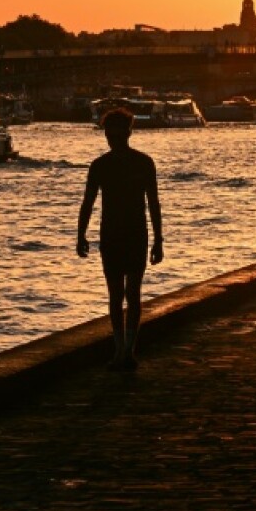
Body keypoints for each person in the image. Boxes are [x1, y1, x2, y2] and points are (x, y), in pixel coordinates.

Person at [77, 107, 164, 370]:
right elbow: (153, 204)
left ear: (125, 134)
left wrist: (81, 235)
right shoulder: (142, 163)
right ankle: (125, 350)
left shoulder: (102, 165)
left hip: (118, 235)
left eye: (113, 135)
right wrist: (158, 239)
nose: (111, 140)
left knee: (121, 294)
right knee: (126, 294)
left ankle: (122, 350)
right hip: (130, 234)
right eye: (110, 135)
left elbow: (88, 203)